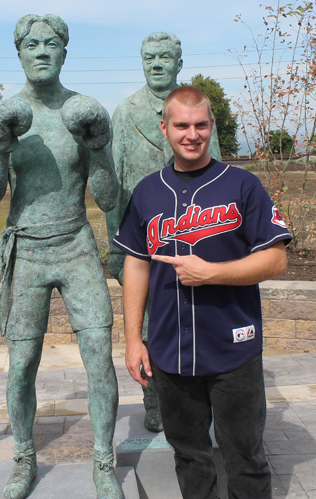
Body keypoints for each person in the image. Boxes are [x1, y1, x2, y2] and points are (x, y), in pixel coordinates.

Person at [113, 86, 292, 499]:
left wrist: (211, 272)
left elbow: (276, 258)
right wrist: (133, 339)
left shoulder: (242, 185)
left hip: (234, 348)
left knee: (244, 453)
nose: (191, 134)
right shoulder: (147, 193)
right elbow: (135, 264)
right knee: (189, 454)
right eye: (181, 125)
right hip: (170, 350)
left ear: (211, 126)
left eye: (199, 125)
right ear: (165, 129)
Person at [0, 14, 123, 499]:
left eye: (52, 44)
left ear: (65, 53)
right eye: (32, 44)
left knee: (100, 358)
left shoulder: (82, 113)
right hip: (29, 250)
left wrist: (98, 147)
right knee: (21, 368)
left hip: (76, 244)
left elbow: (105, 198)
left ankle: (105, 460)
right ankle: (23, 456)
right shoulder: (4, 115)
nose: (42, 51)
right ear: (18, 54)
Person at [106, 33, 222, 432]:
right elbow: (117, 186)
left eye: (165, 57)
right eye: (149, 57)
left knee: (201, 318)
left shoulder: (196, 112)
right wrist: (116, 249)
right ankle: (155, 400)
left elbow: (218, 170)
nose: (157, 64)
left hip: (194, 237)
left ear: (178, 62)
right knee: (154, 323)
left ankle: (206, 394)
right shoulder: (125, 113)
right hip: (147, 240)